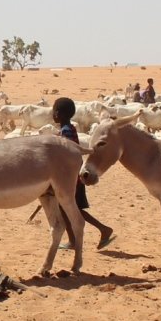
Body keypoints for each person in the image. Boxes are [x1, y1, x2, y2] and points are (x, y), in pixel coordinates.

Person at [53, 97, 112, 249]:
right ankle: (97, 231)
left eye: (54, 111)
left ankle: (100, 230)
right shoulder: (71, 128)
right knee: (71, 208)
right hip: (75, 172)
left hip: (71, 176)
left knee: (68, 209)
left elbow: (66, 153)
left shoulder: (65, 131)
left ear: (58, 114)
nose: (52, 114)